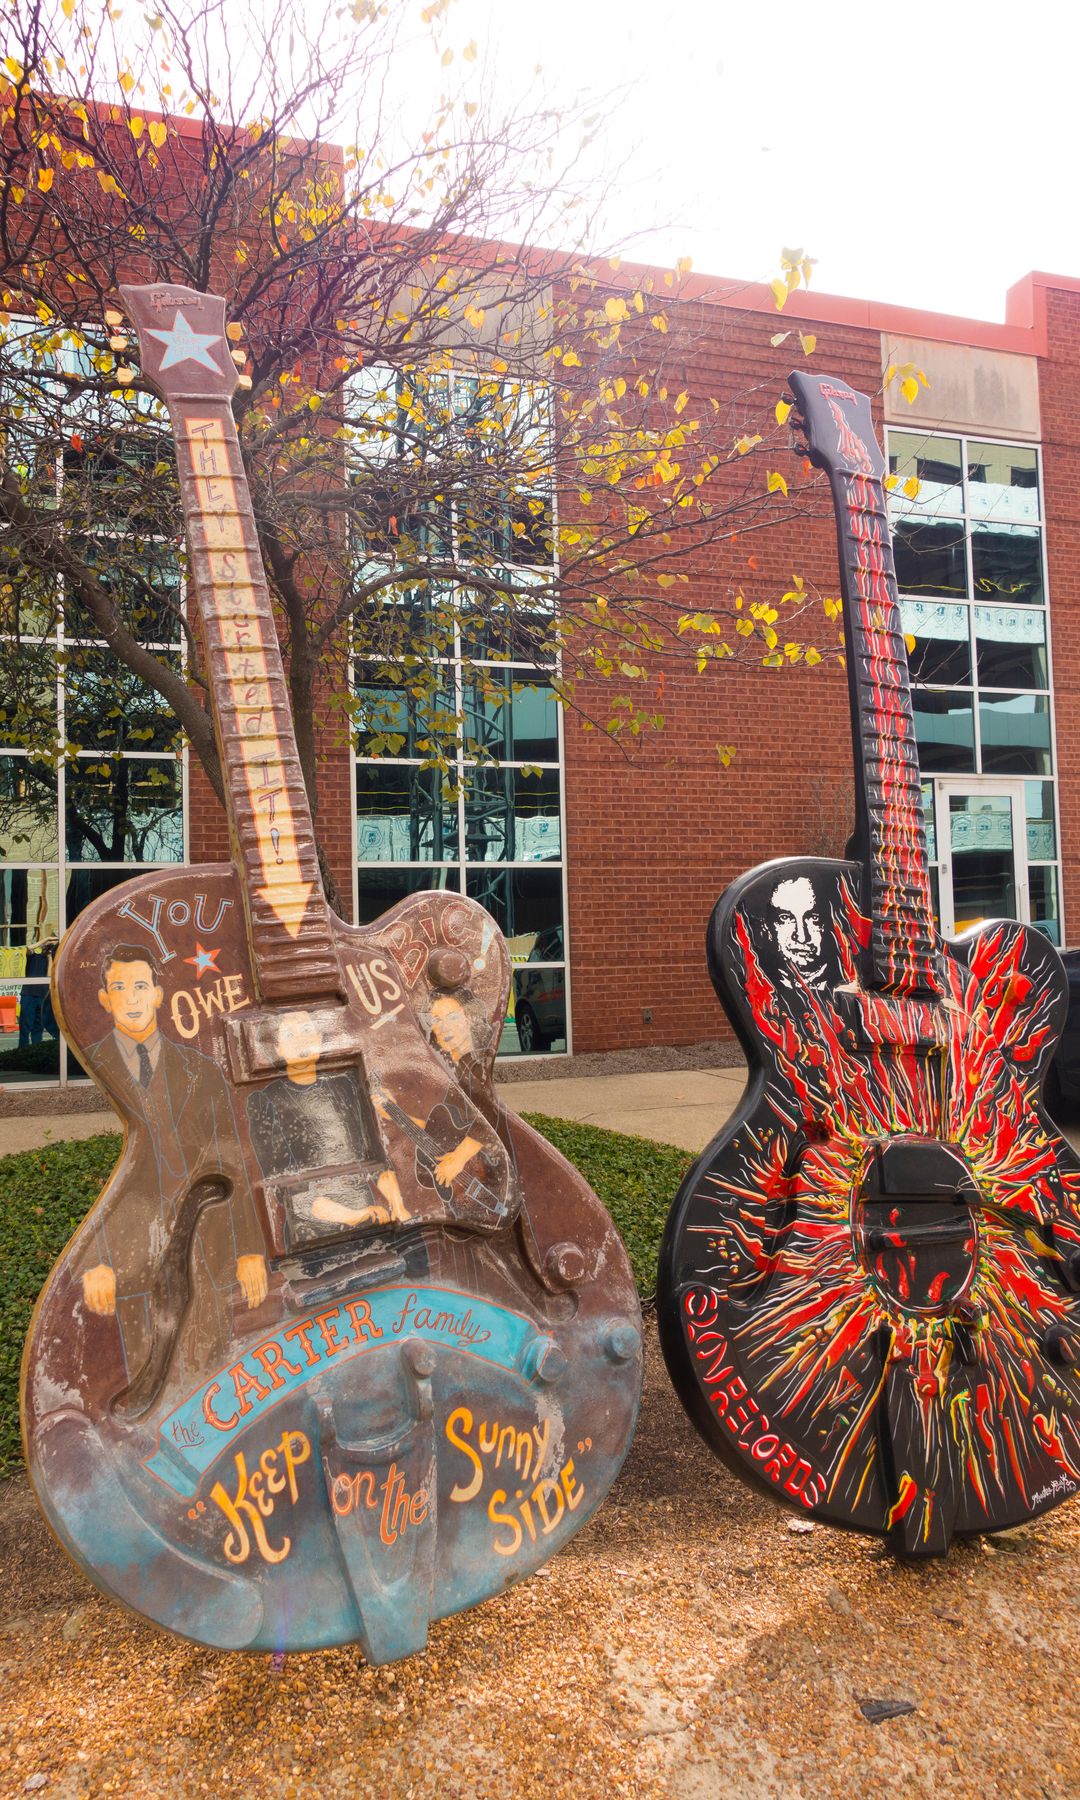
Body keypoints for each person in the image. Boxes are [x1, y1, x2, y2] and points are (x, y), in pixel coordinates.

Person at [80, 943, 268, 1378]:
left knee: (211, 1365)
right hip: (133, 1249)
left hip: (205, 1240)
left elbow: (232, 1160)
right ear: (105, 999)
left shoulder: (200, 1070)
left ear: (159, 995)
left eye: (141, 986)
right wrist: (95, 1260)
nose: (131, 998)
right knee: (145, 1370)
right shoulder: (97, 1065)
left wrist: (250, 1251)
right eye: (119, 988)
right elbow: (100, 1176)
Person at [246, 1008, 406, 1235]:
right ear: (277, 1048)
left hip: (370, 1214)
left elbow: (376, 1159)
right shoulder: (265, 1100)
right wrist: (349, 1215)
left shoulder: (346, 1085)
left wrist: (399, 1207)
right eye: (290, 1035)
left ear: (319, 1038)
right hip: (313, 1225)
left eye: (306, 1030)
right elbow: (280, 1180)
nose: (301, 1040)